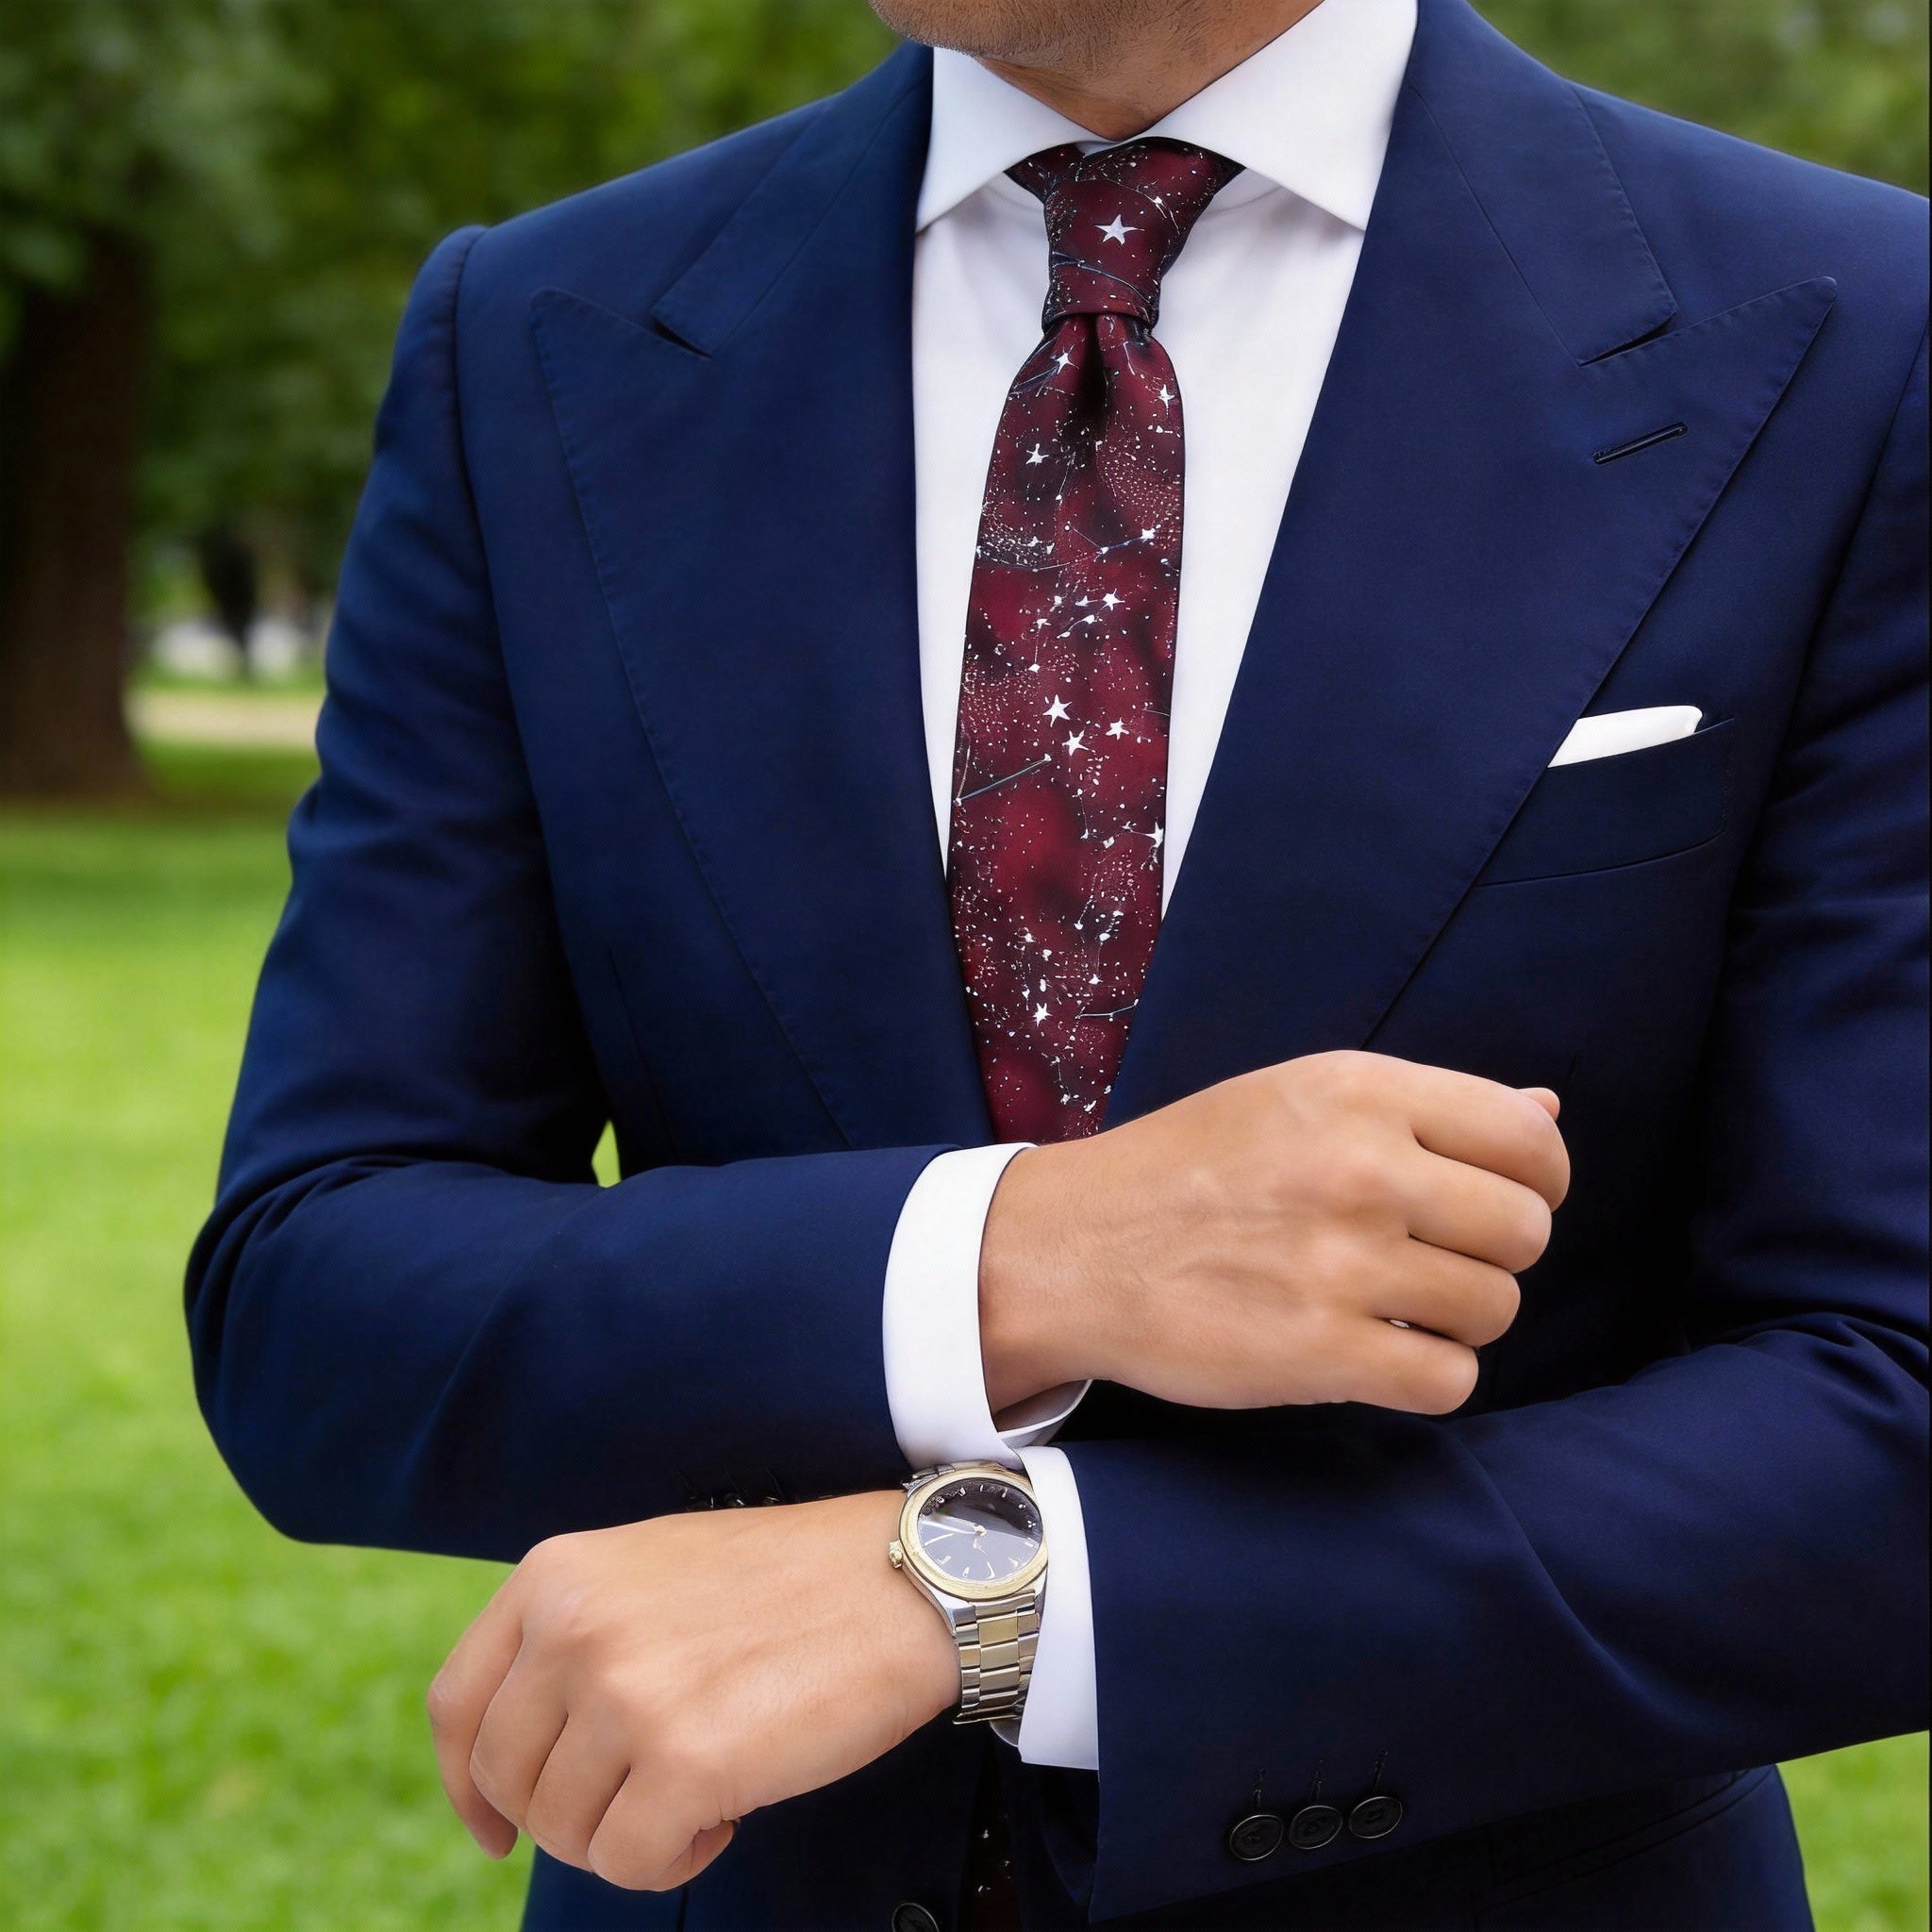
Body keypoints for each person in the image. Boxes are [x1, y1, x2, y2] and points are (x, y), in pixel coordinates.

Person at [186, 0, 1928, 1925]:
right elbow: (314, 1305)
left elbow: (1894, 1406)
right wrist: (1021, 1259)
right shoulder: (535, 336)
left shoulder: (1863, 332)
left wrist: (992, 1591)